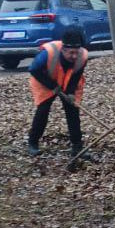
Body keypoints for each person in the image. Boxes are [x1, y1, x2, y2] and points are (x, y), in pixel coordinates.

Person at [27, 27, 91, 160]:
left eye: (76, 52)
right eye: (71, 53)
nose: (74, 56)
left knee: (73, 110)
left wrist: (71, 92)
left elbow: (76, 75)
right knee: (43, 110)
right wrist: (53, 86)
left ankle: (77, 147)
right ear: (63, 49)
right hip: (44, 80)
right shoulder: (48, 53)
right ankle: (33, 143)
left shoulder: (82, 56)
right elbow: (34, 70)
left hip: (67, 80)